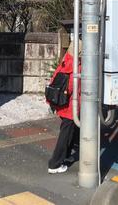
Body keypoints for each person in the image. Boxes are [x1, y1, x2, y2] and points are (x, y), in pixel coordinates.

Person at [47, 45, 80, 174]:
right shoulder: (76, 66)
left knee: (72, 131)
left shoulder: (66, 60)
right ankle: (55, 164)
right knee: (66, 134)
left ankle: (65, 155)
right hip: (71, 106)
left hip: (62, 103)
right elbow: (73, 86)